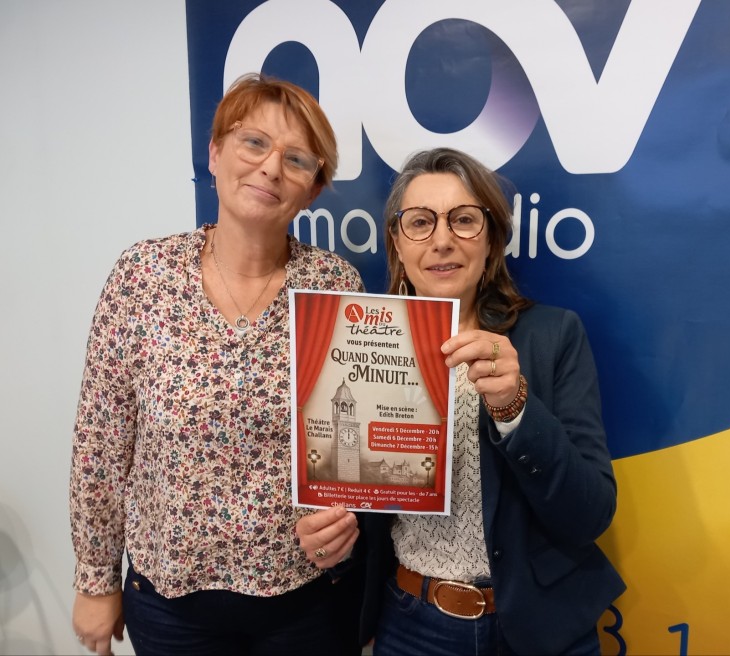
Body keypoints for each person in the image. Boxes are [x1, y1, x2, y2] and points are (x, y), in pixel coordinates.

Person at [69, 72, 363, 656]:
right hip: (171, 605)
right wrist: (95, 581)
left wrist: (347, 518)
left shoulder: (335, 286)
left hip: (304, 601)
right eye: (254, 142)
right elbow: (101, 445)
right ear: (214, 152)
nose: (271, 168)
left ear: (312, 190)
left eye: (297, 159)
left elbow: (352, 447)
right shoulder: (143, 276)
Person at [307, 147, 626, 654]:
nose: (442, 240)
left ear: (491, 239)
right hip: (413, 626)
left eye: (463, 220)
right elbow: (360, 515)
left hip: (539, 627)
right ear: (397, 243)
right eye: (420, 222)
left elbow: (590, 515)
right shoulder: (356, 345)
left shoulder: (553, 336)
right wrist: (334, 539)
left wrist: (516, 408)